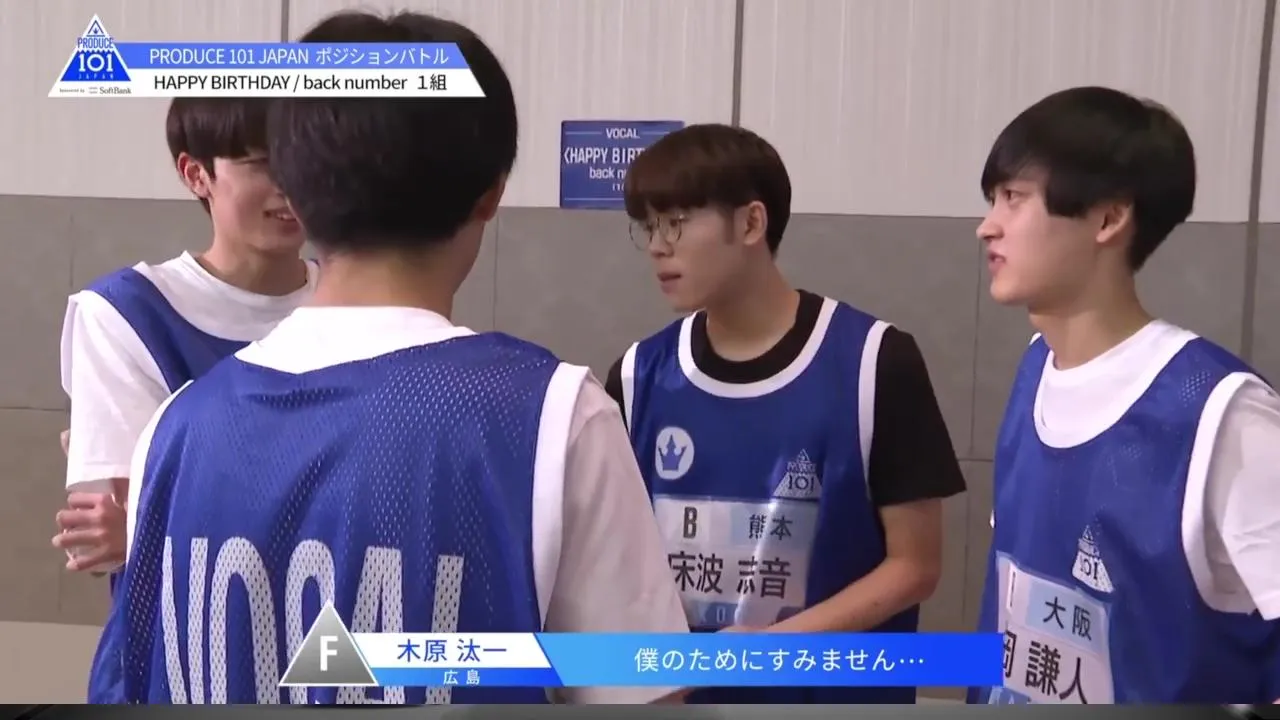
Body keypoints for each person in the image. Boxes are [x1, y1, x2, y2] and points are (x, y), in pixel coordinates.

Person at [96, 10, 688, 705]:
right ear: (491, 193)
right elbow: (644, 697)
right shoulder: (554, 420)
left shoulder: (173, 431)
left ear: (296, 193)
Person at [605, 123, 967, 704]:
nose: (657, 245)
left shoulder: (875, 362)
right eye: (648, 226)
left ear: (751, 223)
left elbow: (916, 566)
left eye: (676, 222)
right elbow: (616, 562)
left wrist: (771, 652)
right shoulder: (637, 376)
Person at [968, 86, 1280, 704]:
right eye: (992, 200)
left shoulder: (1221, 414)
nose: (987, 226)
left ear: (1109, 219)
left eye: (1014, 198)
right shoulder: (1036, 369)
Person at [56, 97, 315, 702]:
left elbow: (146, 527)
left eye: (305, 159)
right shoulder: (124, 314)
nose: (291, 185)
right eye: (262, 163)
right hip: (174, 665)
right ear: (196, 173)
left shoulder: (358, 304)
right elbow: (108, 542)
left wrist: (159, 524)